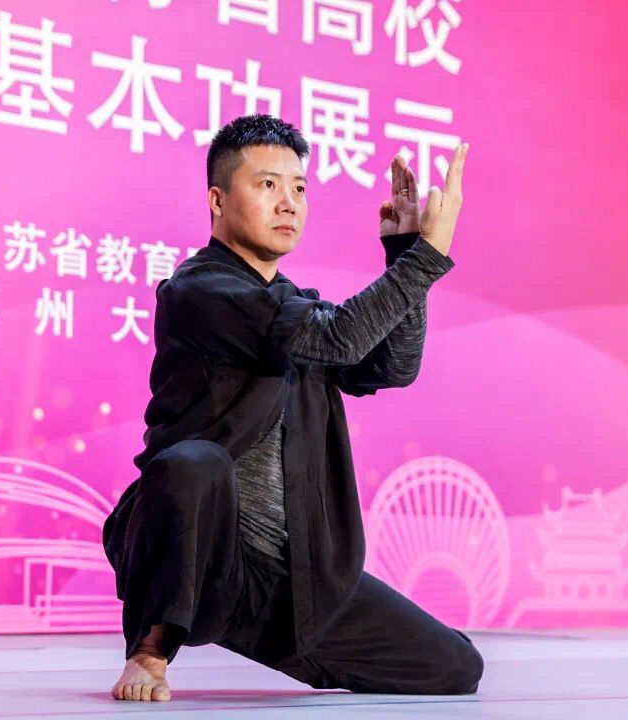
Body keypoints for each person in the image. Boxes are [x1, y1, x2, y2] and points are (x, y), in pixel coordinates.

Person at [102, 114, 482, 702]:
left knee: (456, 667)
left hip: (293, 582)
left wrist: (405, 252)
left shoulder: (294, 307)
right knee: (193, 464)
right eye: (267, 184)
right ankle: (151, 649)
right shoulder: (199, 291)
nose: (289, 203)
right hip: (207, 561)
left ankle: (280, 636)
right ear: (218, 200)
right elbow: (338, 338)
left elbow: (391, 366)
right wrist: (426, 255)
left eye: (299, 187)